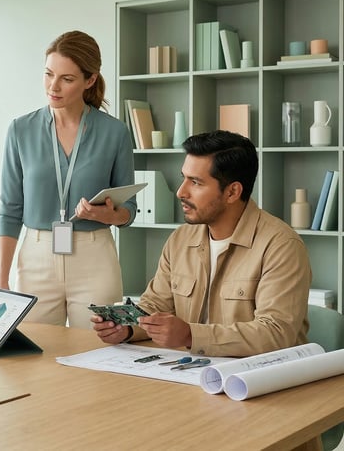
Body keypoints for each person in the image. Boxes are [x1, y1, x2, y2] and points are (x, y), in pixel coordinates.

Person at [93, 130, 311, 357]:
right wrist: (125, 328)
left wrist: (190, 335)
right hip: (191, 370)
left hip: (259, 380)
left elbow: (275, 332)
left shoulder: (281, 246)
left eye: (195, 182)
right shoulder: (180, 239)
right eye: (183, 178)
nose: (180, 192)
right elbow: (156, 305)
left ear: (232, 192)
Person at [0, 30, 136, 328]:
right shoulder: (20, 130)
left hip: (94, 256)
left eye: (66, 79)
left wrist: (104, 214)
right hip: (35, 256)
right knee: (35, 356)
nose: (53, 86)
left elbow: (129, 213)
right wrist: (1, 280)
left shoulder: (115, 133)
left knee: (101, 352)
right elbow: (9, 209)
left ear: (90, 80)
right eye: (48, 74)